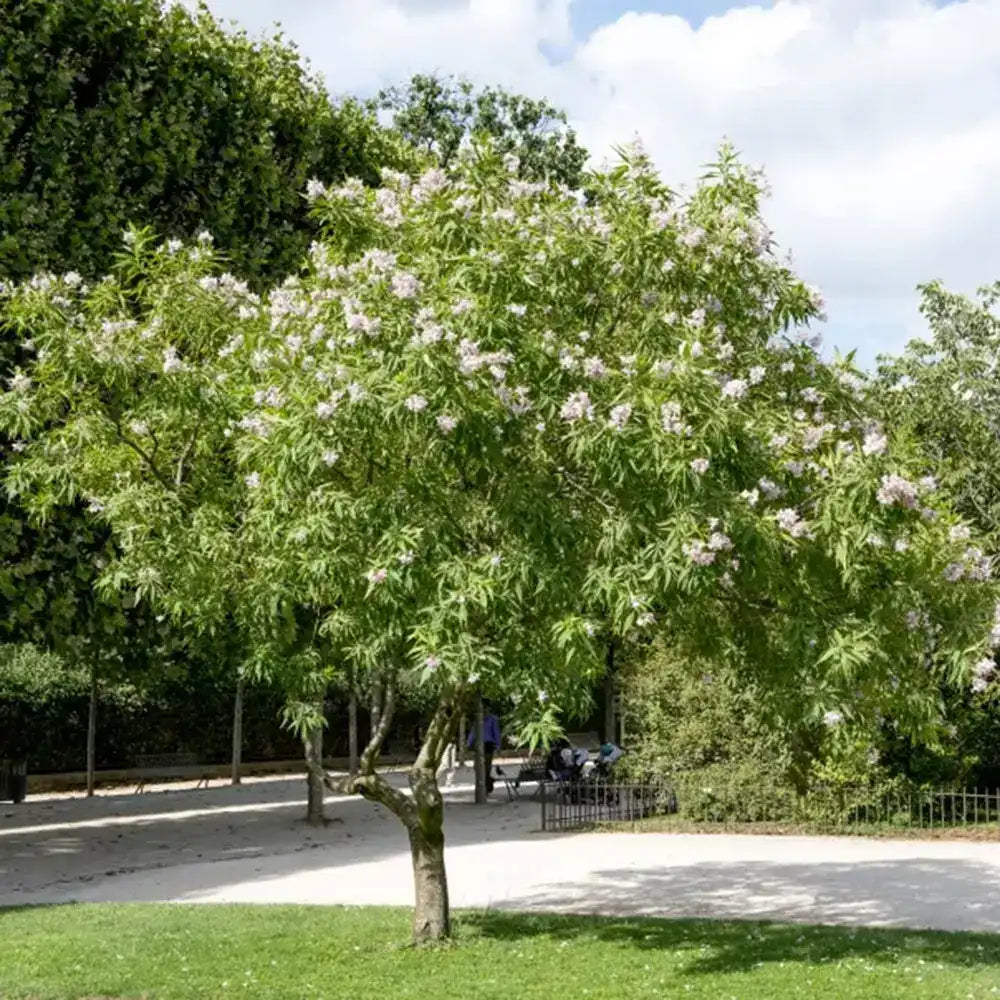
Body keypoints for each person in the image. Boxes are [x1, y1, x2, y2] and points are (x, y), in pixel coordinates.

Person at [467, 703, 501, 795]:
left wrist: (498, 745)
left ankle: (485, 789)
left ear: (488, 708)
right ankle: (489, 781)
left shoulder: (493, 719)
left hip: (488, 745)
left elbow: (496, 732)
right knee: (477, 767)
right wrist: (468, 743)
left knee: (486, 768)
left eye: (486, 708)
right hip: (478, 745)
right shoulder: (477, 719)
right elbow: (473, 731)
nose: (484, 710)